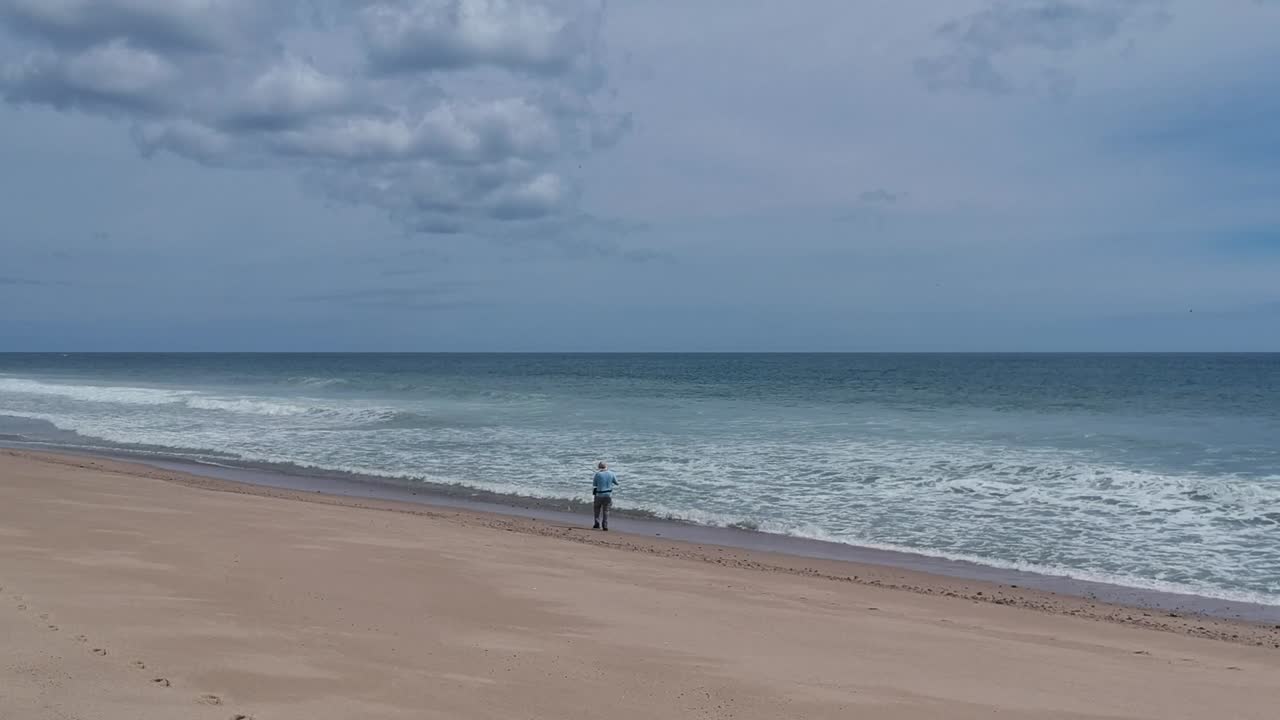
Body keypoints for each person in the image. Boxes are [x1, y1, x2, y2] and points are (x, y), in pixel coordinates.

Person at [591, 461, 618, 531]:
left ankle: (597, 523)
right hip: (608, 495)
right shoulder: (612, 473)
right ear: (606, 466)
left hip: (598, 495)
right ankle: (605, 525)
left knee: (597, 509)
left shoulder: (597, 474)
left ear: (599, 467)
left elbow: (594, 484)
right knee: (606, 510)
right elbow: (617, 483)